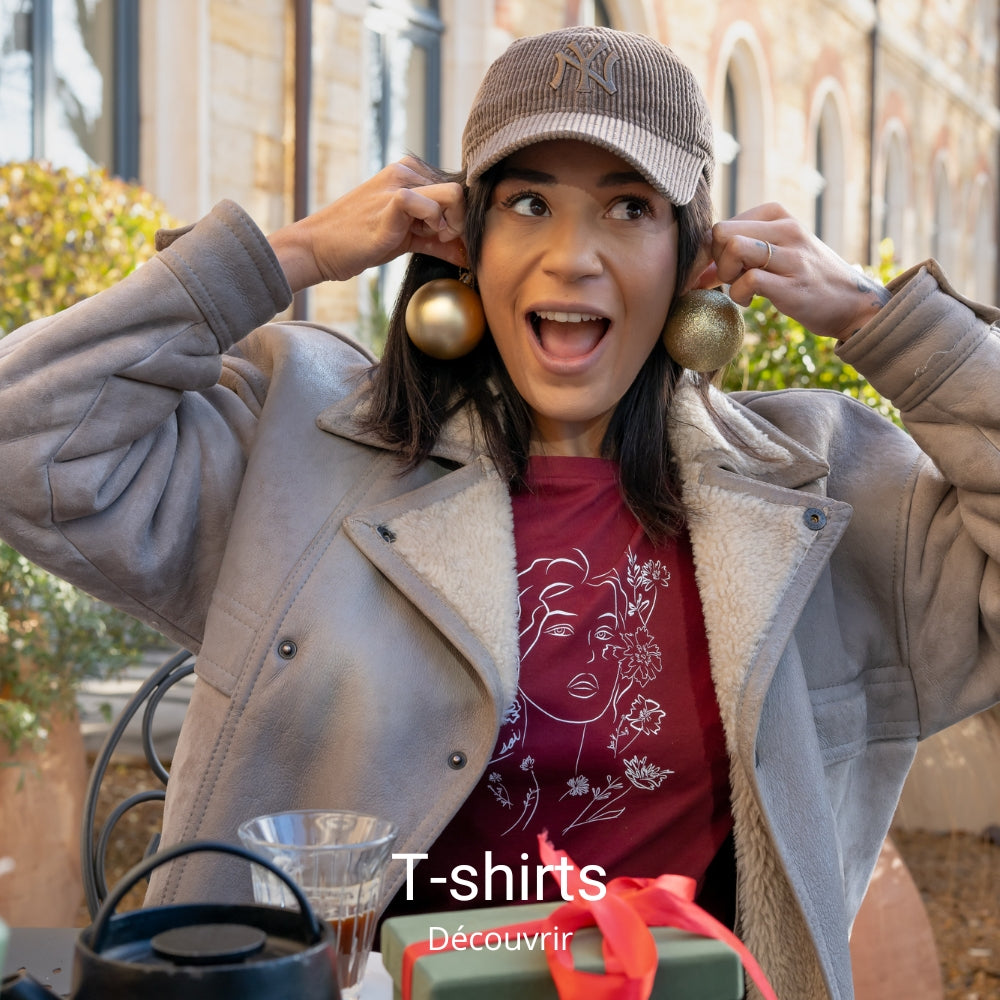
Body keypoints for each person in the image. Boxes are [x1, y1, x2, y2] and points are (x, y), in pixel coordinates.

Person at [0, 24, 998, 1000]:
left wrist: (886, 321)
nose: (572, 255)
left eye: (629, 207)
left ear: (695, 257)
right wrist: (294, 252)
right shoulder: (296, 445)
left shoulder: (823, 485)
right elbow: (25, 443)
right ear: (463, 241)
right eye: (528, 202)